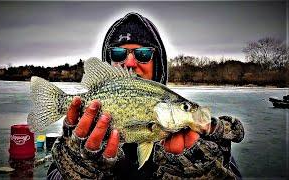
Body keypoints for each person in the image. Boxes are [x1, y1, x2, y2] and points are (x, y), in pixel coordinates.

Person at [47, 12, 244, 180]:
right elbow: (53, 175)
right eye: (117, 54)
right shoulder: (79, 128)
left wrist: (201, 171)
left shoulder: (197, 134)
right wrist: (76, 167)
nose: (130, 63)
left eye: (142, 54)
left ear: (157, 63)